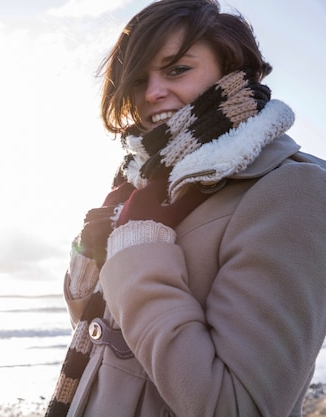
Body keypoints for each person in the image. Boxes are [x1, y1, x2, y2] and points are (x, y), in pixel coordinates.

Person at [44, 0, 326, 416]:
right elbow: (115, 344)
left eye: (178, 69)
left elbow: (236, 406)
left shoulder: (291, 189)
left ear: (232, 69)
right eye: (139, 79)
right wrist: (90, 260)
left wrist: (136, 250)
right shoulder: (141, 185)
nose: (152, 93)